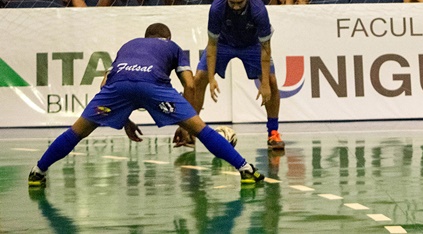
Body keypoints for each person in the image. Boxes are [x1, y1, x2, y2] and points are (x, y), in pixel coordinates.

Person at [28, 23, 264, 188]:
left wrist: (123, 118)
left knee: (76, 132)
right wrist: (185, 125)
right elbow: (190, 85)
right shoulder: (173, 47)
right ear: (167, 38)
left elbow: (104, 84)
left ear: (145, 36)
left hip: (117, 88)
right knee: (202, 130)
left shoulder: (128, 45)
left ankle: (38, 172)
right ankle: (245, 169)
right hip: (154, 86)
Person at [179, 0, 285, 151]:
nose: (235, 6)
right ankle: (190, 131)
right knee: (199, 79)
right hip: (223, 44)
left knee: (272, 82)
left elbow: (266, 48)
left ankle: (273, 133)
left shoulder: (258, 10)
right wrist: (211, 78)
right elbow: (212, 45)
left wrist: (264, 83)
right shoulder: (217, 7)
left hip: (252, 45)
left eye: (240, 2)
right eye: (232, 2)